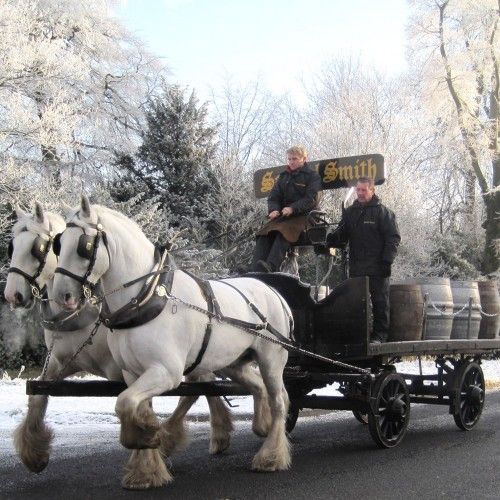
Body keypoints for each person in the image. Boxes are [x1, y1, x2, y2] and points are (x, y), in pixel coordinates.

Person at [327, 177, 400, 343]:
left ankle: (380, 335)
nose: (359, 193)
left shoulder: (384, 213)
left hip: (377, 266)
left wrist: (387, 261)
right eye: (357, 190)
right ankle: (359, 334)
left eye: (363, 190)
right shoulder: (351, 212)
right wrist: (332, 238)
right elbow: (343, 233)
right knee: (356, 302)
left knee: (380, 302)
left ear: (372, 190)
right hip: (357, 267)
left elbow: (393, 238)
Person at [252, 146, 322, 272]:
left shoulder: (312, 176)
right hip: (284, 217)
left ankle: (271, 266)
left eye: (294, 159)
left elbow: (311, 199)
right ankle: (253, 268)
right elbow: (274, 197)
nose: (291, 162)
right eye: (289, 159)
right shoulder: (283, 177)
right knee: (264, 232)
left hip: (305, 217)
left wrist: (292, 208)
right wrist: (273, 209)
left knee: (283, 231)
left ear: (304, 159)